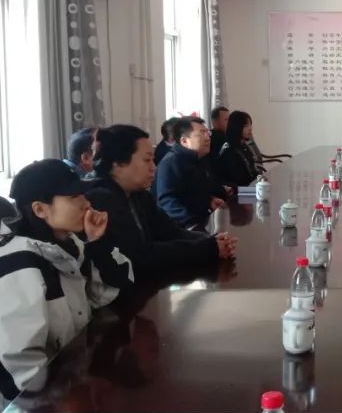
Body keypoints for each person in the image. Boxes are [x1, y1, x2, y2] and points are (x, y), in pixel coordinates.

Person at [0, 159, 133, 413]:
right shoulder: (16, 267)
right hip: (13, 408)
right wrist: (67, 396)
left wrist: (98, 244)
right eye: (74, 197)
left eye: (83, 194)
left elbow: (108, 295)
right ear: (40, 209)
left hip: (64, 377)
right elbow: (16, 364)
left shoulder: (68, 245)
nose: (86, 203)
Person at [86, 124, 236, 291]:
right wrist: (207, 248)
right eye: (147, 160)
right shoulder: (101, 199)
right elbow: (142, 256)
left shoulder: (138, 195)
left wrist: (212, 241)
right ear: (118, 163)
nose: (154, 167)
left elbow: (170, 232)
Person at [155, 116, 230, 229]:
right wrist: (194, 226)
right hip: (184, 229)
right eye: (201, 134)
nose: (208, 138)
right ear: (184, 141)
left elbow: (194, 191)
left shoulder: (198, 159)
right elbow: (168, 202)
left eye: (207, 133)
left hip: (203, 222)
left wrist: (210, 200)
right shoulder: (170, 163)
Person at [214, 110, 261, 188]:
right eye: (246, 126)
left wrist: (260, 179)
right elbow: (238, 179)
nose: (250, 128)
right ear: (236, 127)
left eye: (250, 125)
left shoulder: (243, 146)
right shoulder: (229, 150)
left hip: (250, 187)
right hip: (239, 191)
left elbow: (252, 170)